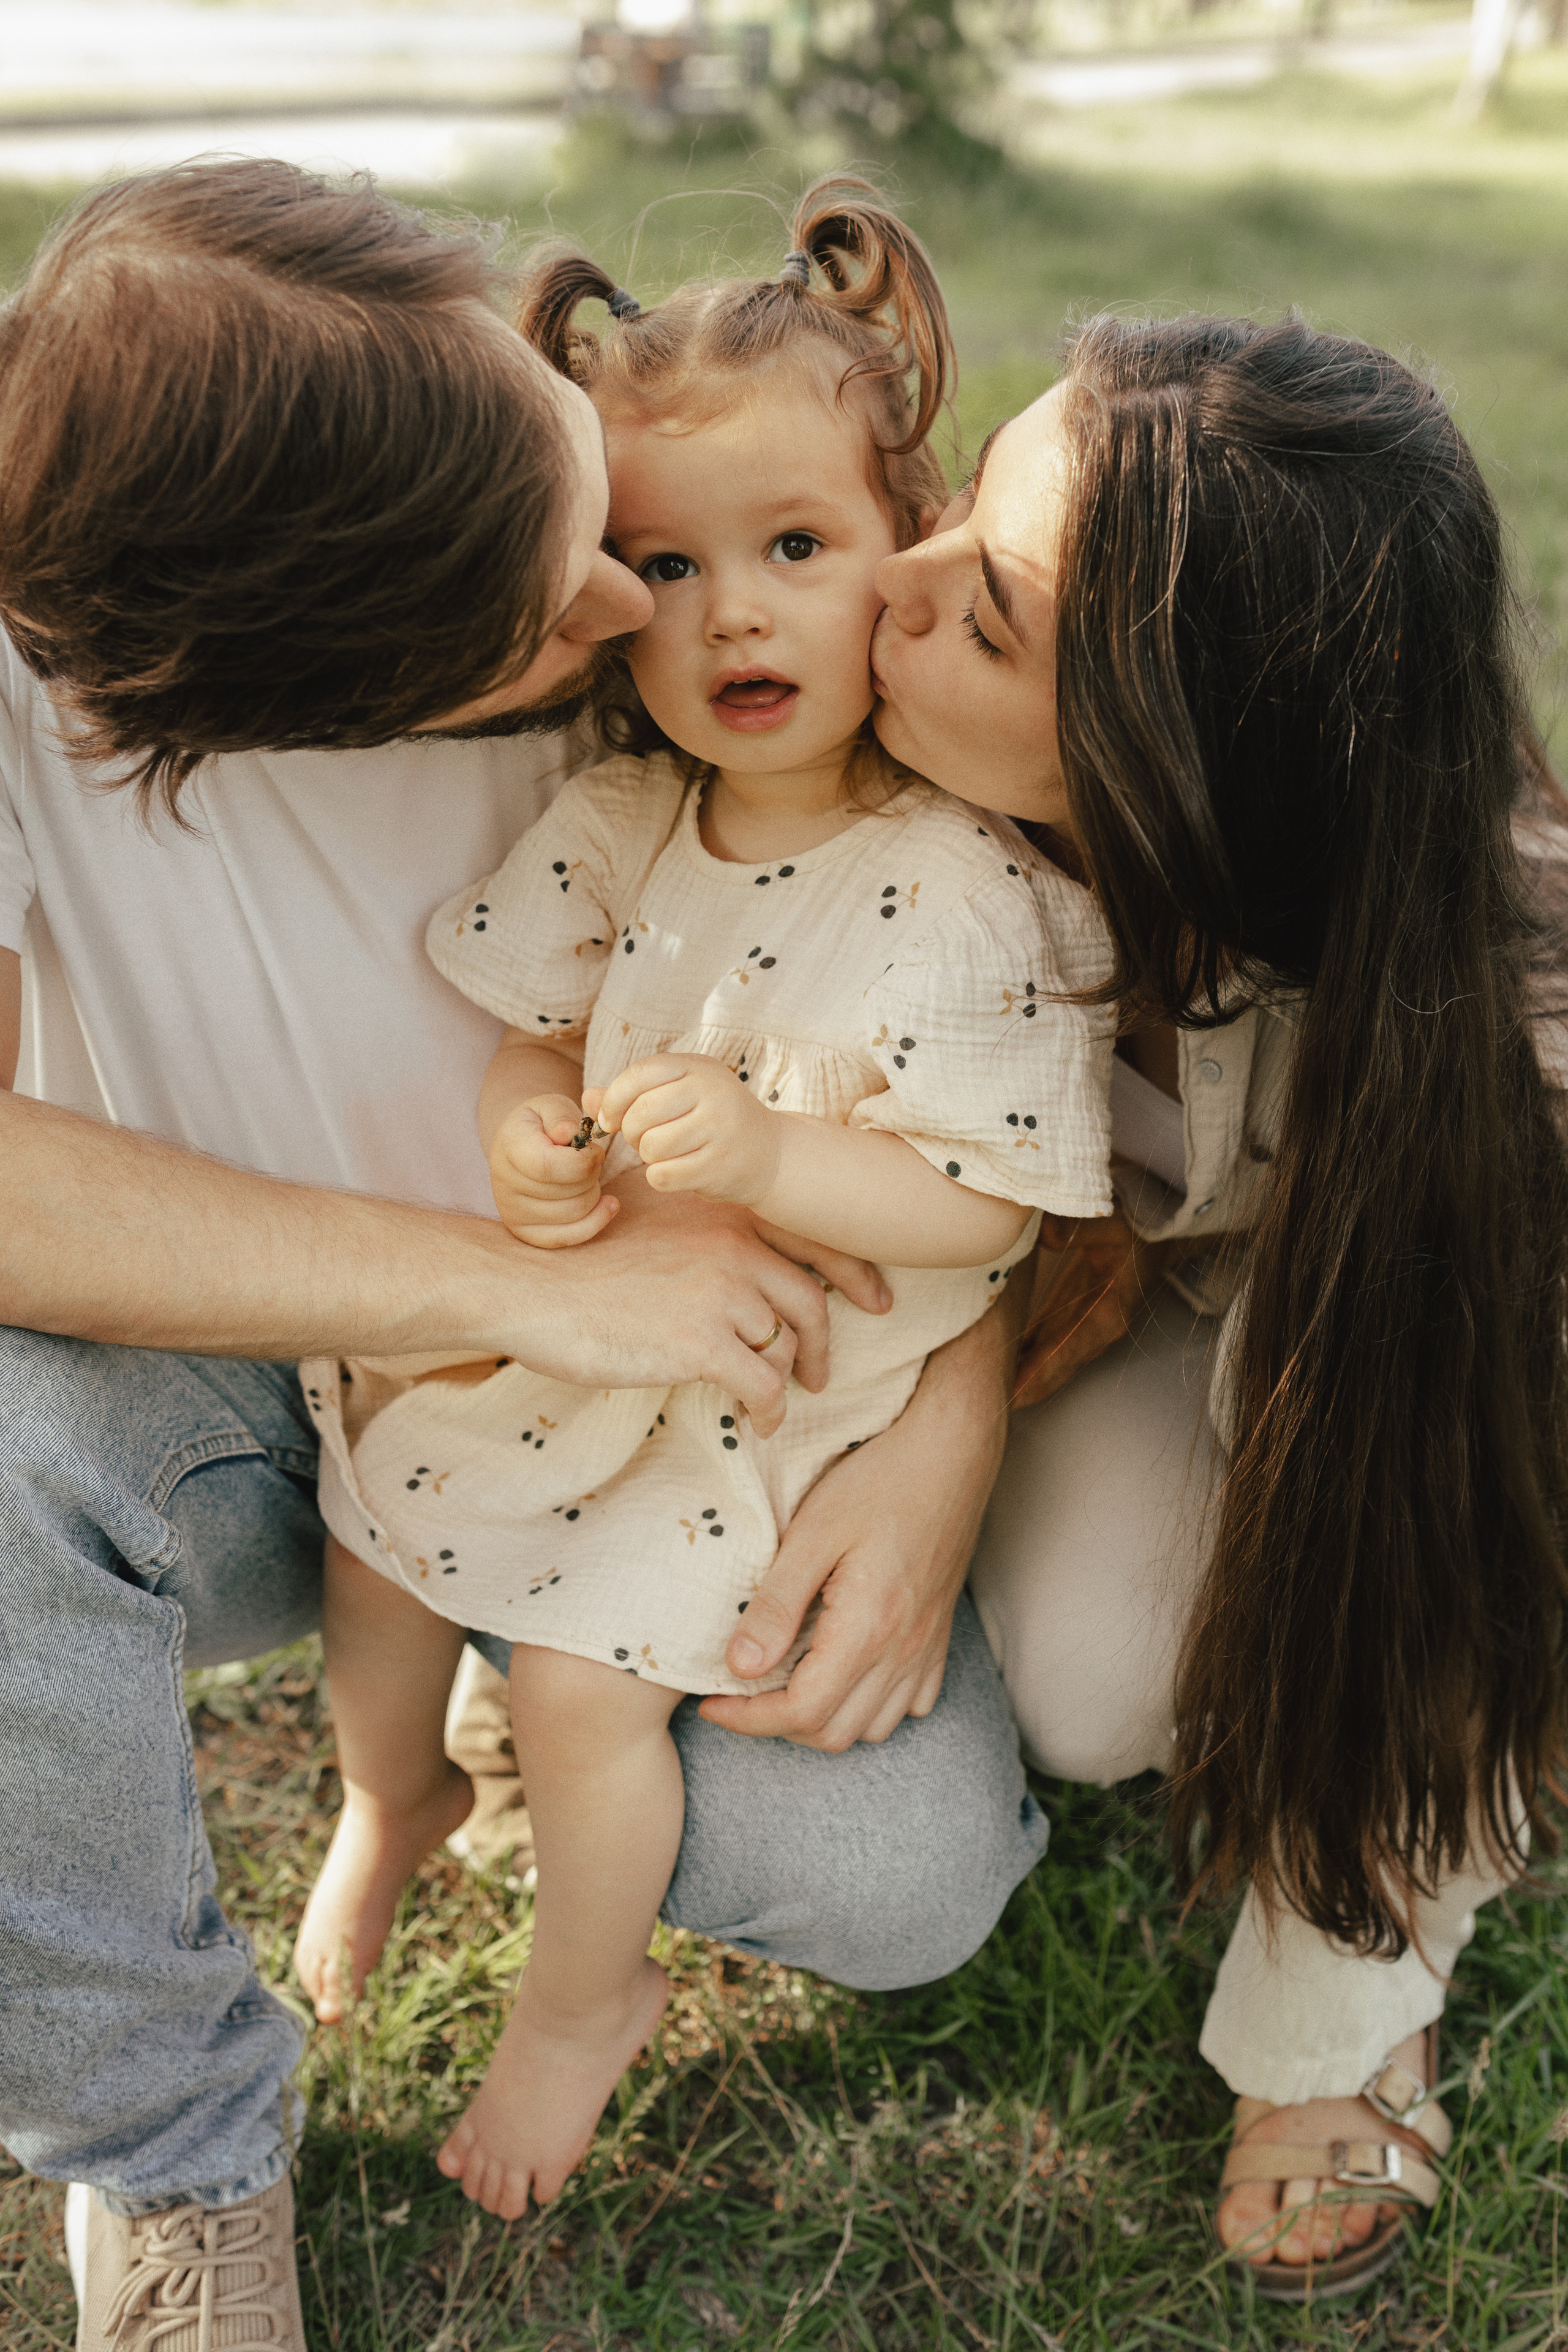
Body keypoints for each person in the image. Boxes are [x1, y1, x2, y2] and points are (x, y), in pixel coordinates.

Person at [0, 162, 1050, 2352]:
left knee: (903, 1878)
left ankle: (533, 1728)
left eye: (592, 508)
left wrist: (944, 1422)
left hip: (731, 1377)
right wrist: (522, 1284)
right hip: (263, 1387)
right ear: (306, 686)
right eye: (573, 580)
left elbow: (991, 1088)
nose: (629, 599)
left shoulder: (691, 588)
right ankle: (175, 2164)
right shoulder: (92, 676)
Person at [289, 183, 1117, 2221]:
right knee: (372, 1524)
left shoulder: (968, 884)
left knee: (582, 1694)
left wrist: (763, 1162)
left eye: (796, 550)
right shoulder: (626, 818)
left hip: (769, 1394)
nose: (732, 611)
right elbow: (523, 1022)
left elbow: (980, 1218)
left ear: (900, 559)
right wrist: (523, 1136)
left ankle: (583, 2003)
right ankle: (389, 1794)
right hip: (588, 1323)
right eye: (667, 564)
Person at [864, 311, 1568, 2298]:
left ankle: (1361, 1997)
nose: (899, 583)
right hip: (1200, 1308)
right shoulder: (922, 781)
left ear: (1187, 772)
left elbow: (1483, 1551)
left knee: (1358, 1481)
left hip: (1461, 1421)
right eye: (965, 504)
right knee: (1091, 1688)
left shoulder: (1508, 1064)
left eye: (987, 618)